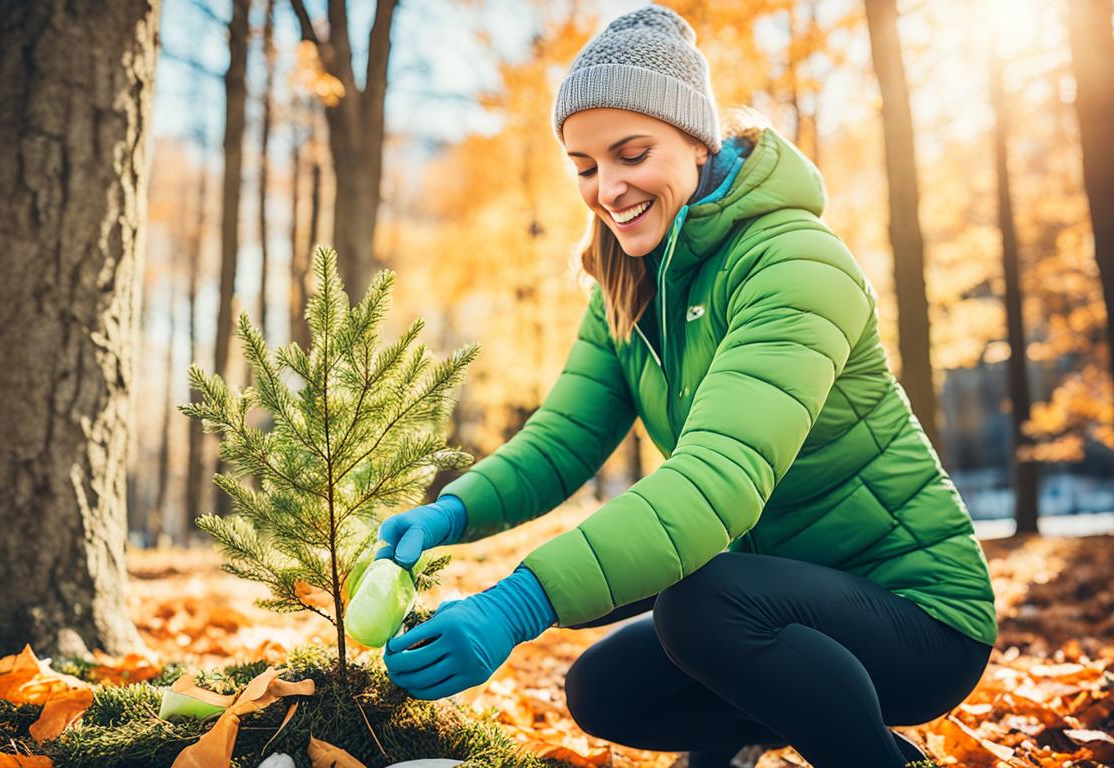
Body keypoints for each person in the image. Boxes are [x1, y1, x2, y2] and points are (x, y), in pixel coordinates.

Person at [376, 6, 996, 768]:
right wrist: (451, 512)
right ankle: (744, 747)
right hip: (775, 597)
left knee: (701, 606)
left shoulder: (795, 263)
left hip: (918, 616)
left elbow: (714, 484)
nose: (608, 187)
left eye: (631, 153)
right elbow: (562, 441)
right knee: (606, 689)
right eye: (585, 166)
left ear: (698, 140)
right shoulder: (627, 284)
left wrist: (515, 606)